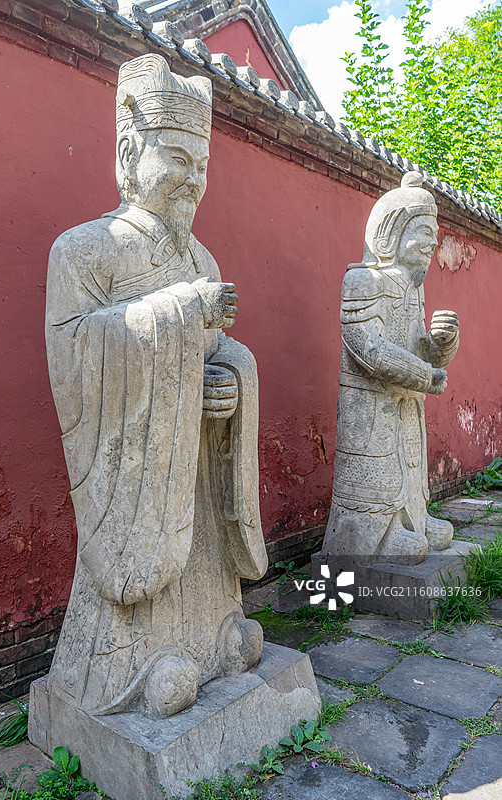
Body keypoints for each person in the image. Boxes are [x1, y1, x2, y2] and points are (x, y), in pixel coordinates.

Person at [45, 54, 267, 718]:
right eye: (176, 157)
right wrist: (180, 315)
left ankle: (211, 639)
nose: (192, 178)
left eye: (201, 165)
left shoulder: (201, 258)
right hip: (138, 474)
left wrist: (229, 380)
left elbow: (219, 350)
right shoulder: (85, 248)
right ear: (126, 152)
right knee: (144, 574)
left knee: (206, 567)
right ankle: (135, 667)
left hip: (195, 461)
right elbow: (75, 349)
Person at [321, 172, 459, 566]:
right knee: (377, 471)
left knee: (410, 468)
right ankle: (373, 534)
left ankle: (413, 518)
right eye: (423, 231)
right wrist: (424, 376)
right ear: (390, 235)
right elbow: (368, 349)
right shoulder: (363, 281)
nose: (433, 242)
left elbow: (421, 349)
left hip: (405, 405)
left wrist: (443, 344)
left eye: (434, 232)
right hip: (370, 407)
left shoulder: (414, 291)